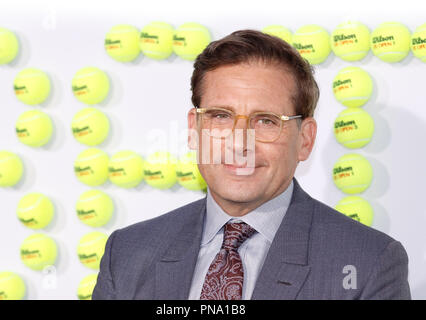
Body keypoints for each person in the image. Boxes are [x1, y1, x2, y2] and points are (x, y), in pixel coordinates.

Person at [92, 30, 411, 300]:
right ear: (194, 129)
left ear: (305, 139)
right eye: (220, 116)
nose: (239, 142)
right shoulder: (127, 254)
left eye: (266, 121)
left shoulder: (369, 264)